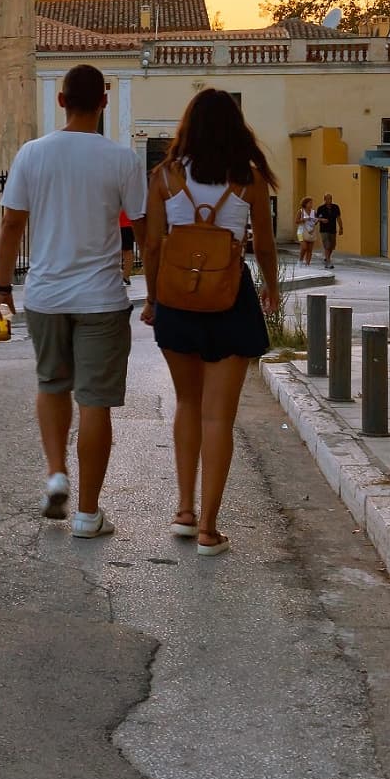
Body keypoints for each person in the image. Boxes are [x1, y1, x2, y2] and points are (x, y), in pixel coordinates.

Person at [0, 65, 147, 539]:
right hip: (101, 297)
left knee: (51, 384)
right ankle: (87, 515)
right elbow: (143, 232)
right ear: (104, 100)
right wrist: (154, 290)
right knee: (95, 402)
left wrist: (2, 288)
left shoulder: (32, 155)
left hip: (46, 296)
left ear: (60, 101)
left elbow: (12, 225)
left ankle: (56, 473)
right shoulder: (122, 160)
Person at [141, 89, 280, 558]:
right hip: (230, 298)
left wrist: (151, 298)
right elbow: (263, 245)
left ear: (189, 127)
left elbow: (155, 247)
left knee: (186, 402)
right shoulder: (249, 180)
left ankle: (182, 510)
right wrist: (273, 288)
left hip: (177, 299)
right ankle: (208, 528)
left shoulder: (164, 177)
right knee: (219, 416)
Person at [315, 193, 343, 270]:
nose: (329, 200)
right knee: (327, 246)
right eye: (327, 199)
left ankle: (327, 258)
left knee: (332, 247)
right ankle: (328, 262)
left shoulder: (335, 207)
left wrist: (341, 228)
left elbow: (338, 218)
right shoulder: (321, 208)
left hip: (332, 229)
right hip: (324, 230)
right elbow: (317, 219)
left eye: (330, 198)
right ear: (324, 200)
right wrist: (322, 219)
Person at [296, 197, 318, 266]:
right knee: (304, 247)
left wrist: (316, 221)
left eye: (312, 203)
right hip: (301, 232)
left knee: (310, 249)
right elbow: (296, 221)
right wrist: (303, 219)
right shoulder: (301, 211)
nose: (311, 204)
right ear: (305, 204)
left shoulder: (313, 212)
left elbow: (315, 222)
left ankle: (307, 263)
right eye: (310, 203)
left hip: (310, 232)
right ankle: (300, 260)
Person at [118, 209, 135, 286]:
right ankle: (124, 276)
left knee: (127, 250)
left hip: (125, 224)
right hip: (114, 222)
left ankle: (126, 277)